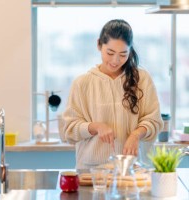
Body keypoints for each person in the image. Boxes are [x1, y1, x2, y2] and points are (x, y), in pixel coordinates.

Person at [62, 19, 163, 169]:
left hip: (131, 170)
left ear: (130, 51)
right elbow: (69, 130)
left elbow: (154, 121)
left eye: (123, 54)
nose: (116, 60)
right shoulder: (82, 83)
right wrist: (95, 127)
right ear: (99, 45)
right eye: (110, 52)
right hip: (91, 172)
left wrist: (136, 135)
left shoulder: (142, 79)